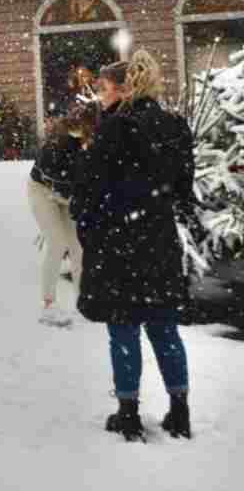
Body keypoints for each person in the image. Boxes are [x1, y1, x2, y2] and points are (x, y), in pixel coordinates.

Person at [70, 51, 194, 441]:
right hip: (158, 241)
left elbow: (88, 191)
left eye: (104, 90)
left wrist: (88, 226)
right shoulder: (175, 126)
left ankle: (128, 414)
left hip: (118, 243)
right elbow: (183, 191)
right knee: (164, 328)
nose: (100, 98)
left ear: (124, 90)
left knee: (123, 330)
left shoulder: (115, 130)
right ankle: (180, 411)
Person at [29, 102, 98, 327]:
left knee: (78, 246)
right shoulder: (57, 141)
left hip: (67, 195)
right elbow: (52, 171)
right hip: (43, 190)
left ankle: (82, 302)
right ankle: (48, 304)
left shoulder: (89, 142)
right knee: (57, 243)